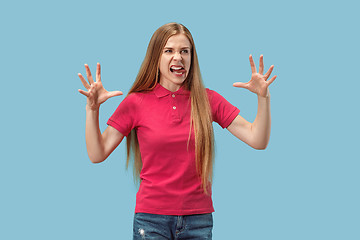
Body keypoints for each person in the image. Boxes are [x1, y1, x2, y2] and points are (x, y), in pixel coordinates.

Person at [78, 22, 276, 240]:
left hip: (198, 220)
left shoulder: (207, 100)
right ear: (157, 57)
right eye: (169, 51)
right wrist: (92, 110)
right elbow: (97, 153)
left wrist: (263, 98)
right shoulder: (136, 102)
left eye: (184, 51)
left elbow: (257, 139)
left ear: (192, 57)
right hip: (151, 219)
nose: (178, 57)